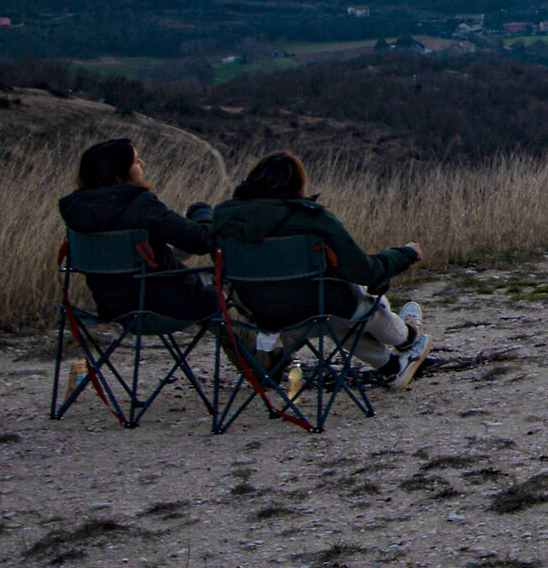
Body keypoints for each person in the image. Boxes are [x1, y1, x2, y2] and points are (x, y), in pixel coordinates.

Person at [209, 152, 430, 384]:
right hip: (322, 309)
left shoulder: (223, 221)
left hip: (266, 318)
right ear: (298, 183)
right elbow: (365, 270)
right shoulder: (313, 219)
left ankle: (392, 365)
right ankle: (408, 338)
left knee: (342, 319)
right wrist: (405, 254)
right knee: (365, 305)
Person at [57, 137, 222, 322]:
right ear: (119, 173)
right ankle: (251, 351)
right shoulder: (141, 205)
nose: (143, 164)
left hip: (114, 309)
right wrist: (203, 213)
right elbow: (199, 242)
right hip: (168, 306)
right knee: (225, 296)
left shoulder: (77, 211)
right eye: (136, 161)